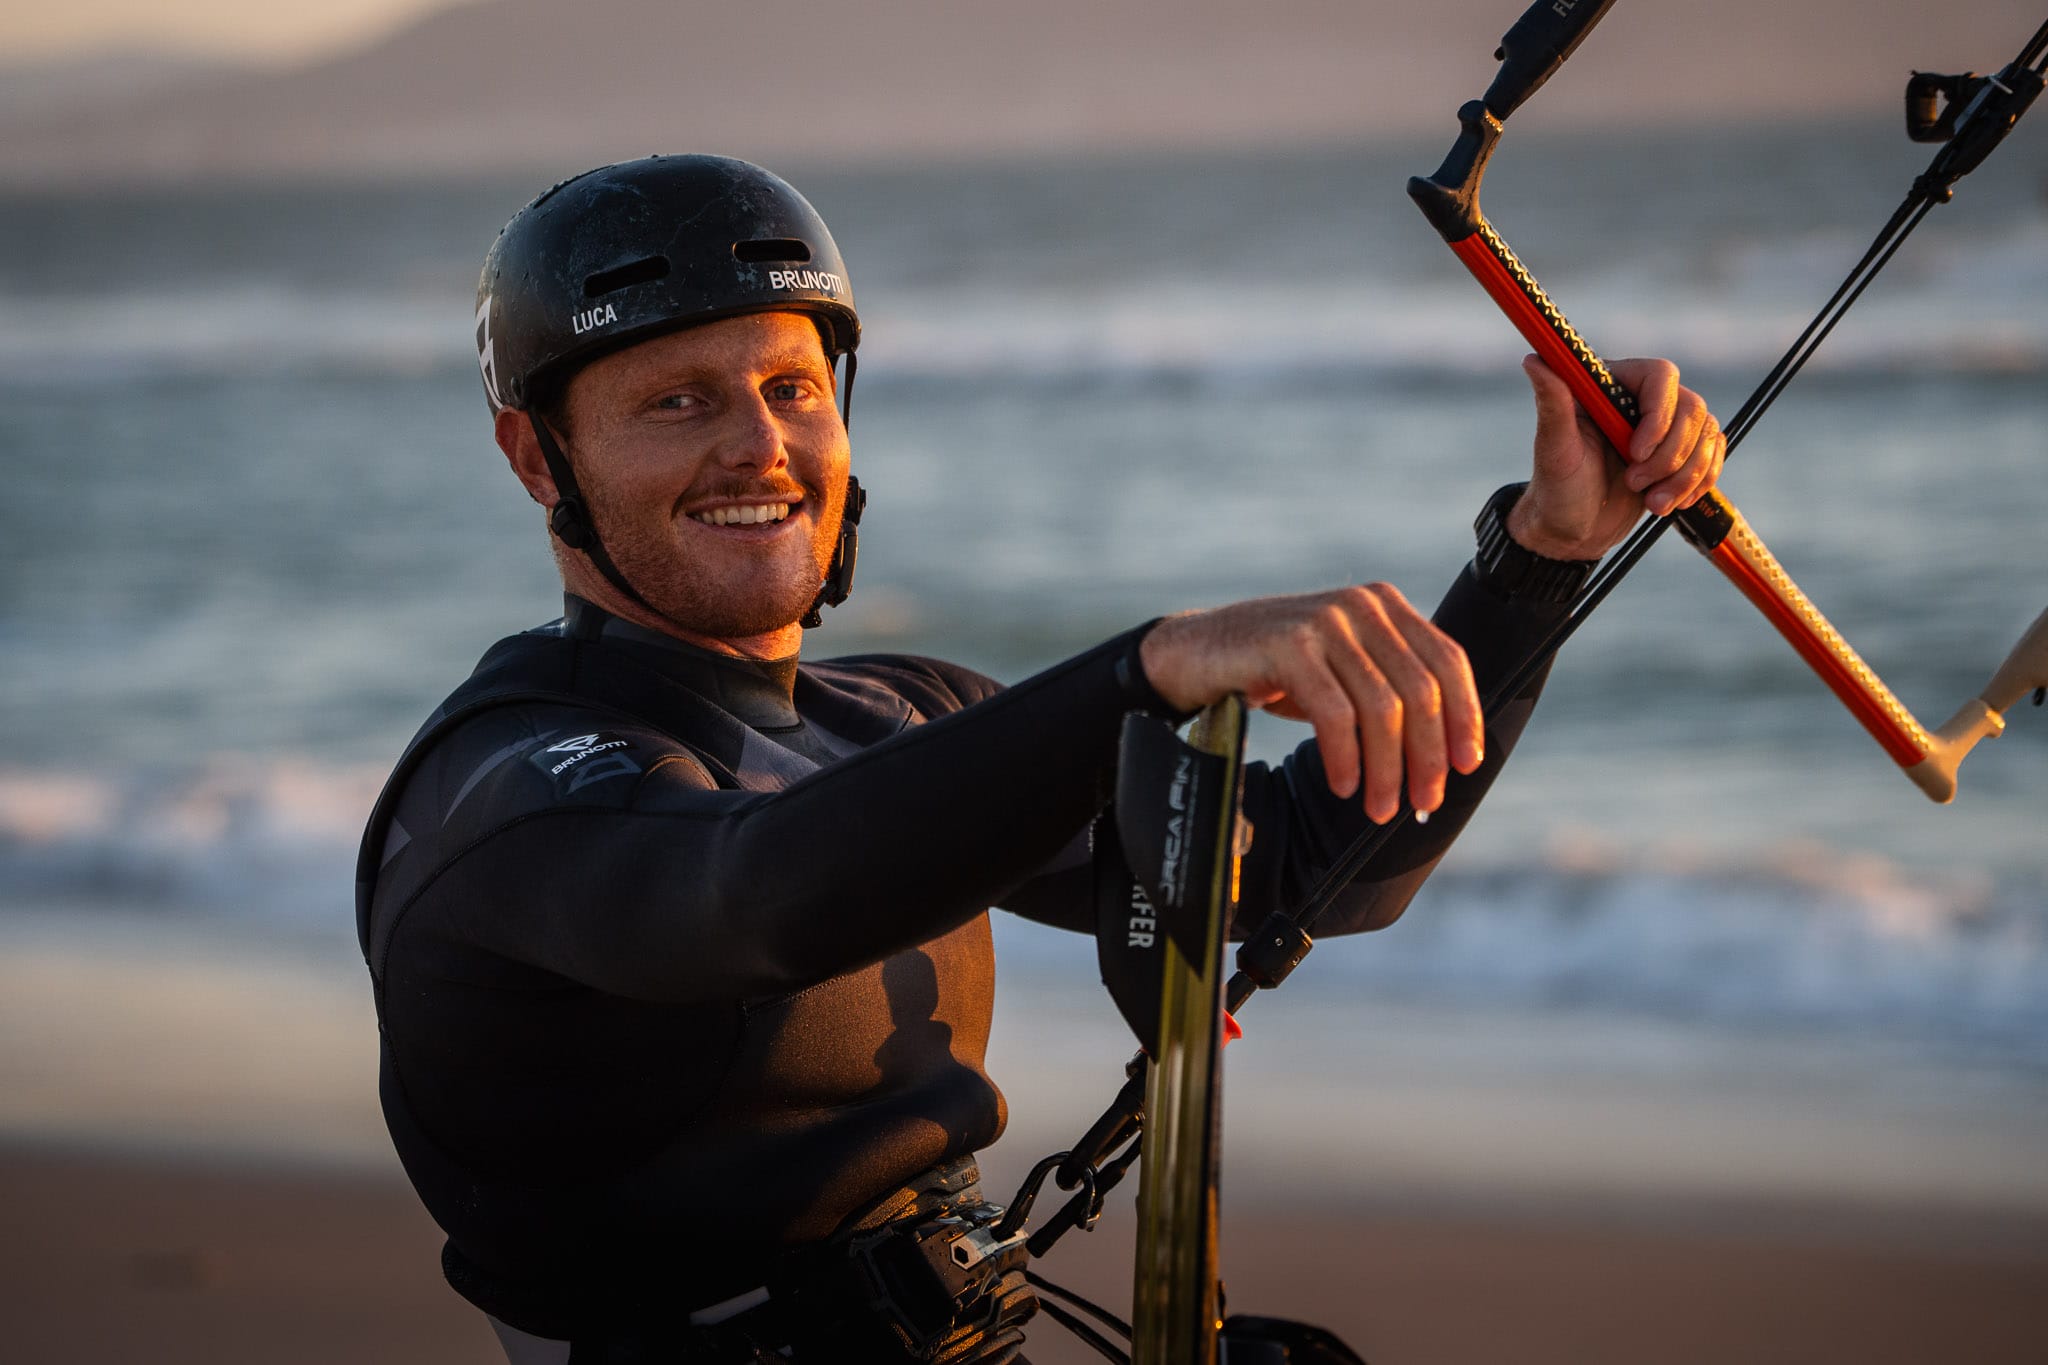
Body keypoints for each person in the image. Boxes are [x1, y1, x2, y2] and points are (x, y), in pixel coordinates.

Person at [356, 154, 1727, 1364]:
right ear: (538, 458)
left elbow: (1314, 871)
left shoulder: (894, 714)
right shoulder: (504, 786)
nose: (758, 442)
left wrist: (1540, 560)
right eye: (676, 401)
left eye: (791, 385)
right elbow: (750, 897)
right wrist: (1140, 670)